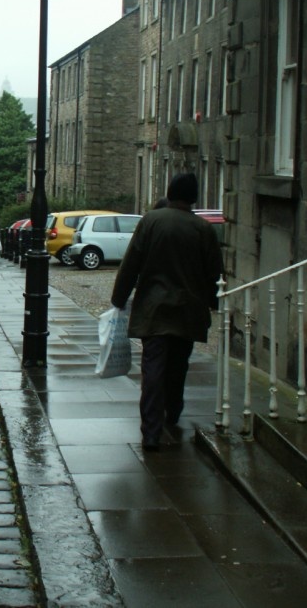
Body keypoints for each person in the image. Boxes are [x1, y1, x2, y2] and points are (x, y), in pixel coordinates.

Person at [110, 173, 223, 451]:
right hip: (187, 309)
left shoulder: (150, 221)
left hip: (153, 308)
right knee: (178, 365)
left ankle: (151, 431)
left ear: (170, 192)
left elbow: (131, 262)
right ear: (194, 197)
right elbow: (214, 272)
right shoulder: (203, 229)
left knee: (153, 369)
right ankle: (173, 411)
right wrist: (214, 302)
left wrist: (119, 297)